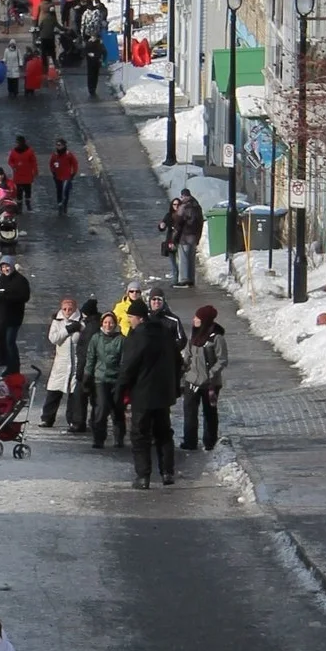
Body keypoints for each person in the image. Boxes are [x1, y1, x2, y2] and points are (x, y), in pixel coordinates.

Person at [117, 296, 182, 490]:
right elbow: (177, 361)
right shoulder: (164, 334)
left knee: (140, 435)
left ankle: (143, 476)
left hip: (143, 394)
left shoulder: (137, 337)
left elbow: (128, 366)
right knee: (164, 433)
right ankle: (167, 472)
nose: (129, 321)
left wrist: (120, 389)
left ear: (139, 317)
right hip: (164, 394)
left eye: (130, 317)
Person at [181, 303, 228, 452]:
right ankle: (190, 441)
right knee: (189, 411)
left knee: (209, 412)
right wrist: (182, 368)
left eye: (198, 317)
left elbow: (222, 359)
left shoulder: (216, 338)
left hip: (210, 384)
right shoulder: (194, 335)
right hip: (193, 381)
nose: (194, 319)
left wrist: (211, 374)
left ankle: (210, 442)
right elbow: (188, 355)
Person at [40, 297, 89, 431]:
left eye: (70, 309)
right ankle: (47, 418)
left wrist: (79, 328)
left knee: (74, 393)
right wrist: (68, 330)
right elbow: (53, 338)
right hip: (61, 362)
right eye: (65, 309)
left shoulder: (82, 320)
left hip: (76, 361)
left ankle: (73, 420)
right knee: (54, 390)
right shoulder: (57, 321)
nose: (67, 312)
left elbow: (85, 336)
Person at [86, 312, 125, 449]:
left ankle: (119, 438)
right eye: (106, 322)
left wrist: (122, 378)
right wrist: (87, 376)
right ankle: (98, 438)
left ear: (115, 324)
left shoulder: (121, 339)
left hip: (116, 379)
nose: (108, 325)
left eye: (111, 323)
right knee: (101, 408)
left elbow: (123, 360)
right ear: (102, 324)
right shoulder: (96, 338)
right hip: (100, 378)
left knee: (117, 409)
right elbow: (91, 358)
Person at [0, 260, 30, 377]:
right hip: (2, 316)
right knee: (4, 341)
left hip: (14, 316)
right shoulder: (1, 279)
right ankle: (7, 363)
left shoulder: (20, 280)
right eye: (3, 267)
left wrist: (8, 296)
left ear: (12, 266)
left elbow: (25, 296)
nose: (6, 269)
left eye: (7, 266)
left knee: (10, 342)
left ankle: (14, 368)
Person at [173, 189, 205, 288]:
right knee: (191, 258)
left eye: (182, 197)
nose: (181, 199)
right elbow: (201, 222)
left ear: (184, 196)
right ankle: (191, 279)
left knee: (183, 258)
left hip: (184, 236)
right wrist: (198, 236)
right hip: (194, 236)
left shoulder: (184, 206)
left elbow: (178, 220)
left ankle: (183, 279)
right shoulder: (197, 206)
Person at [7, 136, 39, 212]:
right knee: (19, 193)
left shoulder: (29, 151)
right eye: (17, 142)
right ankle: (19, 207)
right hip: (18, 176)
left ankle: (28, 204)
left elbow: (34, 162)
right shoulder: (13, 151)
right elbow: (10, 161)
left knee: (28, 191)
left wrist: (35, 171)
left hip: (27, 175)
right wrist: (13, 166)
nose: (17, 144)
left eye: (19, 142)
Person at [49, 138, 79, 212]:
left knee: (65, 191)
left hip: (67, 177)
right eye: (56, 145)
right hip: (57, 177)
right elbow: (51, 164)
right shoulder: (54, 155)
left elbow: (75, 164)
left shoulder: (69, 155)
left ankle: (65, 205)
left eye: (59, 145)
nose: (57, 147)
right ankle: (59, 204)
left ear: (63, 146)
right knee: (59, 190)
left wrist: (73, 173)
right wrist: (53, 172)